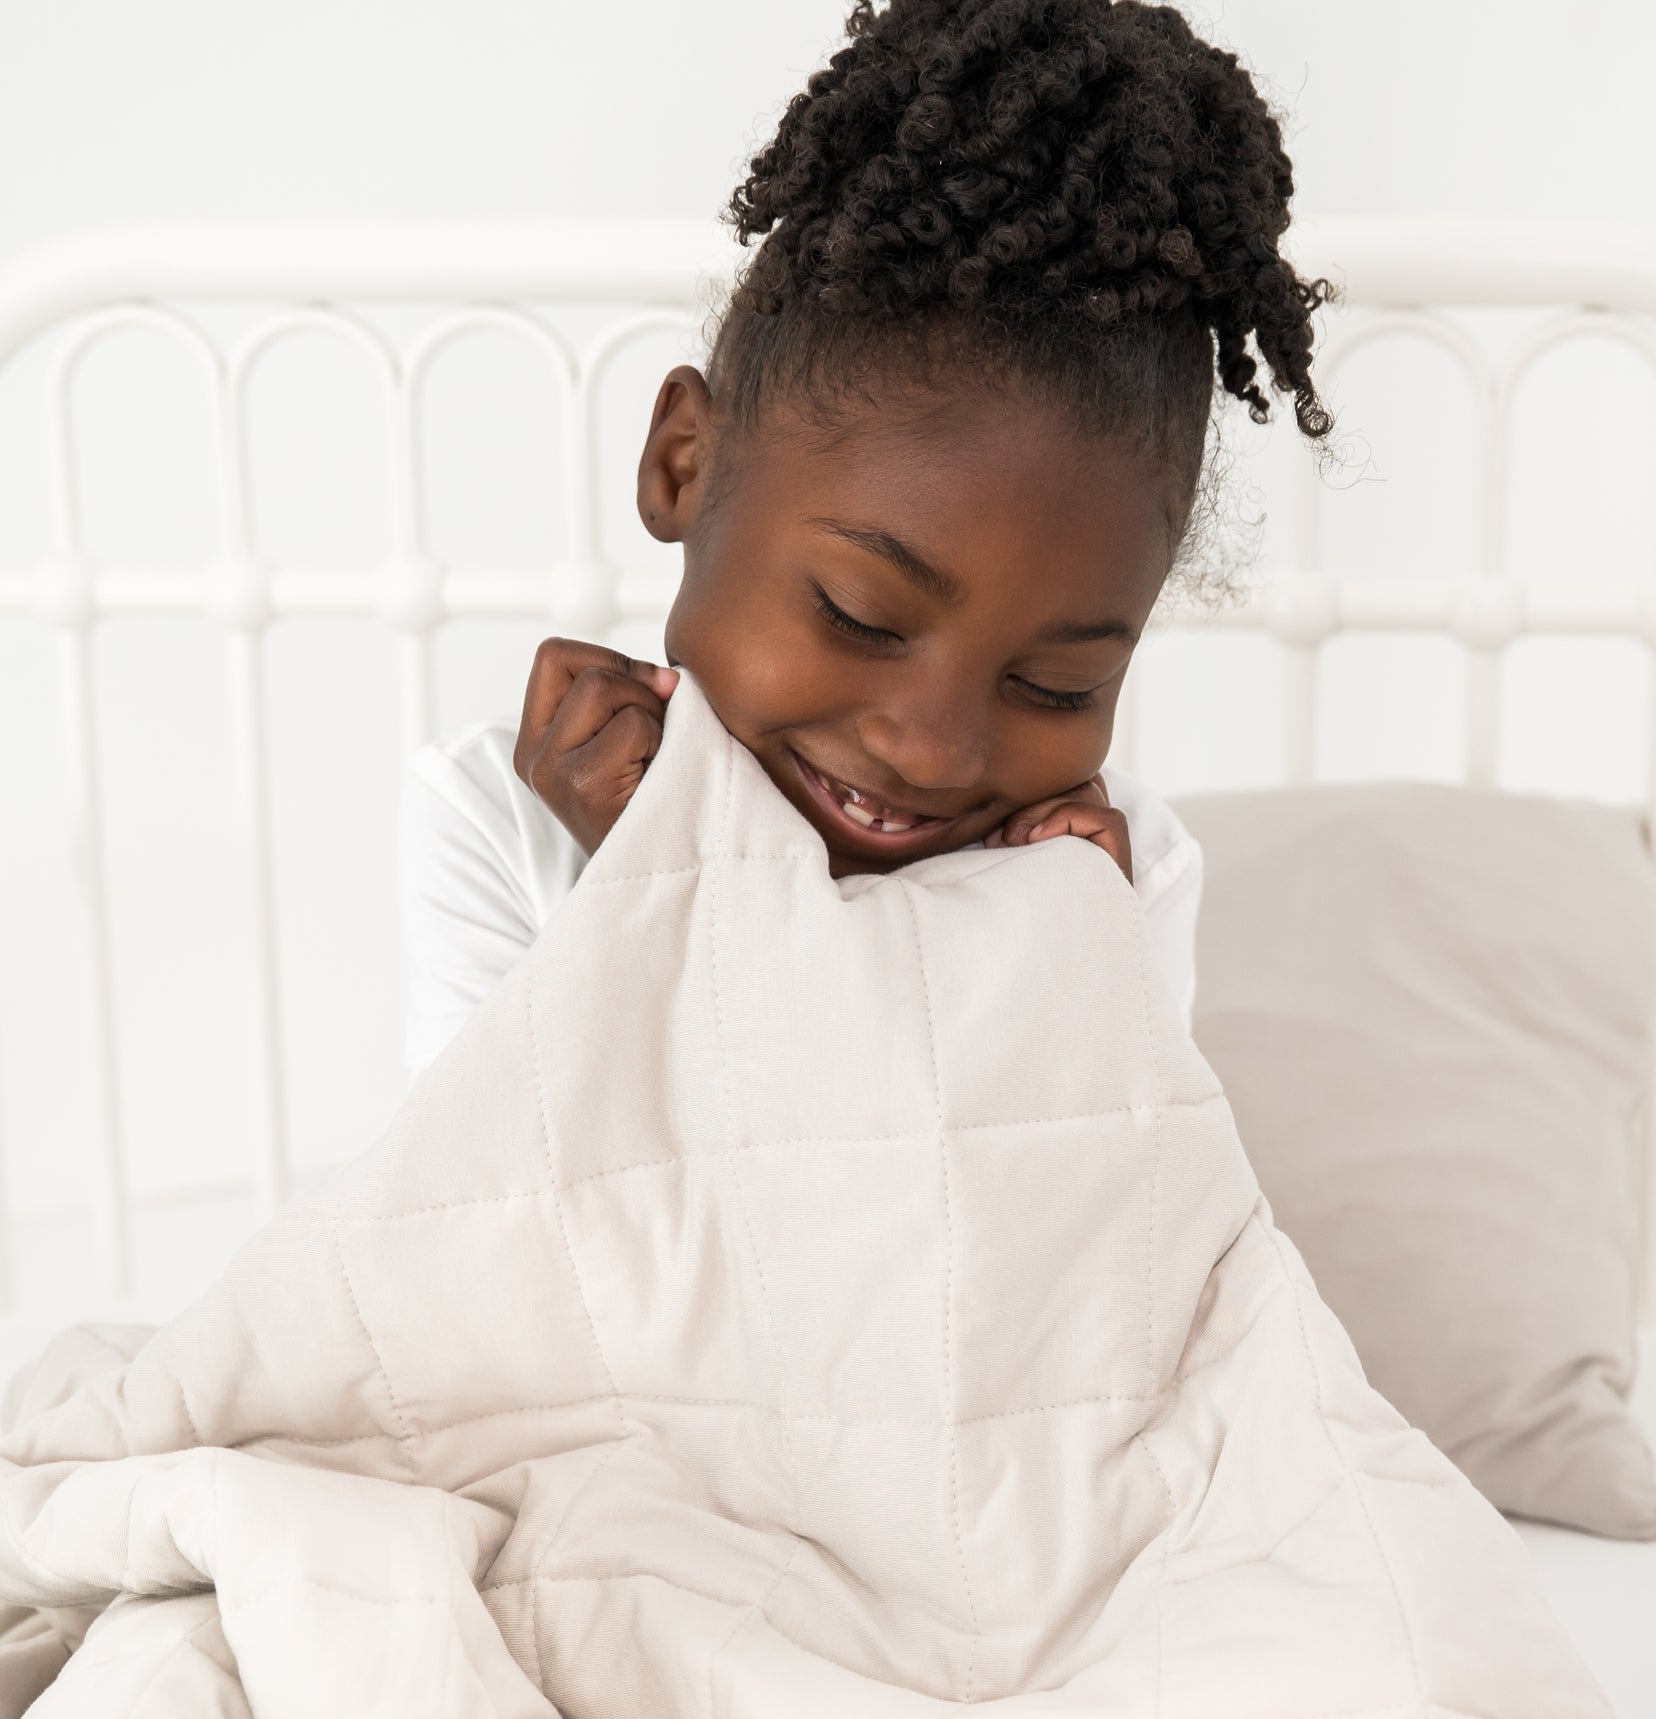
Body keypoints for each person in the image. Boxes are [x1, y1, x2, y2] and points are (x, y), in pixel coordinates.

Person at [398, 0, 1334, 1084]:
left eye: (1056, 684)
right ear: (683, 465)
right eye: (861, 618)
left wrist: (1068, 1002)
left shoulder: (1121, 881)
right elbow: (489, 1224)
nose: (932, 749)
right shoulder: (506, 820)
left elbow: (1089, 1242)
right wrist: (653, 884)